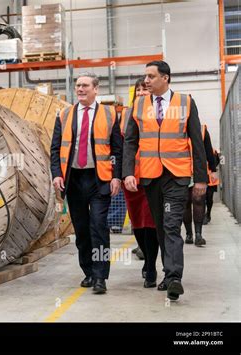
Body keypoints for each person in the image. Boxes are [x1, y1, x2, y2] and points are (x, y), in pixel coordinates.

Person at [123, 61, 207, 301]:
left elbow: (196, 142)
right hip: (150, 176)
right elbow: (130, 141)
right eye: (145, 77)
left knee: (171, 225)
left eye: (151, 76)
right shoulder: (139, 105)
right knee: (161, 226)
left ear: (165, 78)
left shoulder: (185, 102)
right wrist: (129, 172)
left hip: (176, 175)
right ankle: (167, 273)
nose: (146, 81)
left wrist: (200, 178)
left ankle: (173, 278)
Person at [50, 72, 122, 295]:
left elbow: (118, 149)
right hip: (73, 180)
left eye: (85, 86)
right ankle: (88, 272)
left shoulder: (110, 114)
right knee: (81, 229)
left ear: (95, 89)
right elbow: (54, 149)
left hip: (99, 179)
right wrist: (56, 174)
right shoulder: (64, 115)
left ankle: (101, 277)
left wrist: (116, 176)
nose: (80, 89)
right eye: (78, 85)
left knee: (98, 226)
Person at [120, 78, 159, 288]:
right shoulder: (127, 114)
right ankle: (143, 250)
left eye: (145, 88)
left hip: (153, 176)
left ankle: (151, 266)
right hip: (132, 177)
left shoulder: (159, 112)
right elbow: (122, 147)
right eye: (139, 90)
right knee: (137, 221)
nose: (142, 92)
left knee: (151, 221)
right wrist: (124, 174)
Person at [183, 124, 218, 246]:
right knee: (186, 203)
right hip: (181, 172)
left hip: (198, 172)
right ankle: (189, 234)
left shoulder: (202, 130)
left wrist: (213, 170)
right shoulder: (175, 127)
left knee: (199, 201)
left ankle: (198, 234)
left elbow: (209, 151)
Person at [204, 149, 220, 225]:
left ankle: (208, 214)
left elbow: (217, 162)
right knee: (202, 198)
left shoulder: (213, 151)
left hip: (211, 178)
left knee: (209, 198)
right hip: (201, 177)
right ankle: (203, 215)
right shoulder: (197, 148)